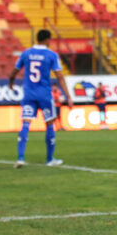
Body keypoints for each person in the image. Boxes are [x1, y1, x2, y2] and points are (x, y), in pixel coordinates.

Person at [9, 29, 73, 168]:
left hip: (28, 94)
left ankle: (20, 157)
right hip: (44, 95)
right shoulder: (51, 55)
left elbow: (15, 70)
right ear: (48, 40)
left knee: (25, 123)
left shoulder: (26, 53)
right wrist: (68, 96)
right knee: (49, 124)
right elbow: (60, 76)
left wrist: (11, 82)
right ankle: (50, 159)